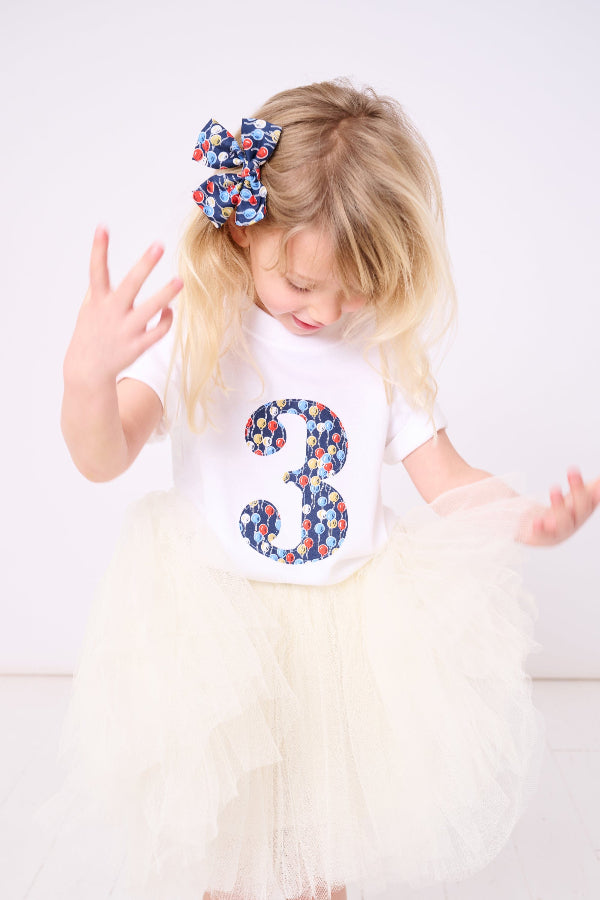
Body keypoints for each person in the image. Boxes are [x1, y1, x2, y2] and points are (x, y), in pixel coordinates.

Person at [38, 79, 599, 900]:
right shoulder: (201, 327)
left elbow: (447, 482)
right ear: (241, 232)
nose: (328, 309)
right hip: (215, 625)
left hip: (346, 636)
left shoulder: (380, 352)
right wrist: (86, 378)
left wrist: (526, 520)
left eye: (357, 285)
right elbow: (101, 453)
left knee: (324, 852)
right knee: (226, 850)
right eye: (302, 285)